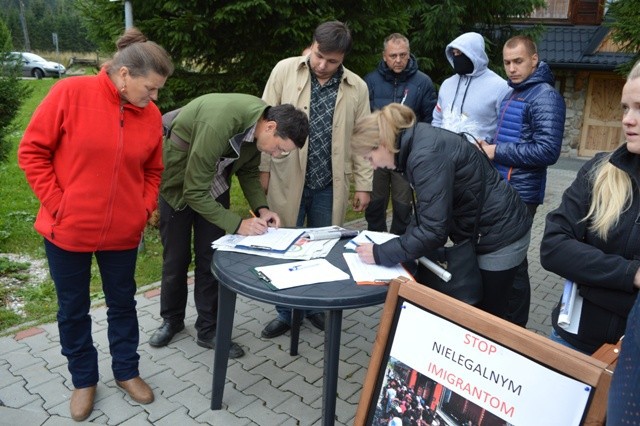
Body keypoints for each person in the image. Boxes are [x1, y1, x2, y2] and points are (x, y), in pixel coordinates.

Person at [17, 28, 173, 421]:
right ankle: (84, 379)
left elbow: (154, 169)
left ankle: (126, 371)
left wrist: (142, 208)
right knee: (73, 309)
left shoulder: (150, 115)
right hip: (66, 230)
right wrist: (58, 204)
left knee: (123, 304)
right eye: (150, 88)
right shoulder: (70, 94)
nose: (155, 98)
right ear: (124, 75)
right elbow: (32, 151)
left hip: (122, 233)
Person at [148, 94, 309, 359]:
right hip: (179, 184)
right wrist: (237, 224)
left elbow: (246, 171)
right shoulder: (219, 125)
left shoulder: (259, 128)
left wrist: (262, 208)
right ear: (270, 127)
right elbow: (193, 192)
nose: (277, 154)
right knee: (175, 259)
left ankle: (209, 330)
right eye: (279, 148)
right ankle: (172, 320)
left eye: (283, 153)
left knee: (210, 258)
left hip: (213, 184)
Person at [352, 103, 532, 319]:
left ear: (382, 145)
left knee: (490, 319)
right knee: (507, 305)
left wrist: (381, 253)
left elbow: (433, 230)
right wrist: (402, 245)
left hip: (500, 236)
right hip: (499, 226)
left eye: (369, 158)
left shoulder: (424, 155)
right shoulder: (418, 142)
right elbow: (429, 207)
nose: (372, 166)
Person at [259, 20, 372, 338]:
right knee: (286, 245)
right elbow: (264, 121)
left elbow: (362, 139)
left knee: (322, 249)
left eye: (332, 61)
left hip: (328, 184)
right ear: (312, 45)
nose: (322, 65)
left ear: (343, 59)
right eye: (319, 56)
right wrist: (263, 169)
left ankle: (313, 307)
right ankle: (285, 311)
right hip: (286, 179)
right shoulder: (284, 70)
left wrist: (364, 183)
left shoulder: (357, 88)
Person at [540, 60, 640, 356]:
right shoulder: (599, 170)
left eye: (639, 108)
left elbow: (573, 257)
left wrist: (591, 282)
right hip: (572, 341)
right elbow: (553, 248)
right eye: (625, 107)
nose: (627, 119)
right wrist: (632, 275)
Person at [481, 35, 566, 327]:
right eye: (506, 62)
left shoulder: (544, 95)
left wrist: (497, 150)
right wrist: (488, 145)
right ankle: (503, 320)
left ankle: (515, 327)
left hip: (521, 193)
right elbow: (511, 137)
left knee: (514, 263)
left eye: (518, 61)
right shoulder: (514, 93)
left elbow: (547, 150)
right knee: (508, 260)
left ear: (534, 59)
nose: (511, 68)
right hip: (503, 189)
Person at [364, 33, 436, 235]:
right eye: (393, 55)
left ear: (409, 54)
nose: (398, 60)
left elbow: (430, 121)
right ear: (384, 56)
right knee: (375, 205)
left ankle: (399, 249)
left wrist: (418, 151)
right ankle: (374, 243)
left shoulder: (423, 82)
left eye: (403, 55)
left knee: (403, 206)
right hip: (376, 155)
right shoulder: (370, 81)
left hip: (405, 158)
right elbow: (362, 118)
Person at [431, 31, 510, 142]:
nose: (456, 57)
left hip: (480, 157)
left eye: (460, 52)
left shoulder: (500, 87)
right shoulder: (447, 84)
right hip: (444, 156)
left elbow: (506, 130)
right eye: (453, 53)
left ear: (474, 53)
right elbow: (437, 120)